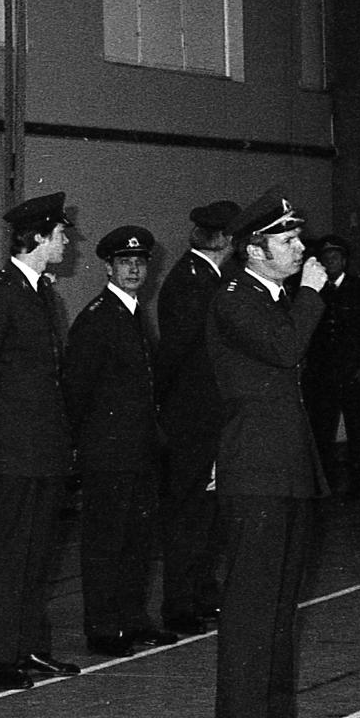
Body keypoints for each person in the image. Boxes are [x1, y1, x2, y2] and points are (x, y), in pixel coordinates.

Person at [207, 188, 331, 718]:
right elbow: (285, 349)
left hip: (285, 466)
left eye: (298, 237)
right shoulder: (235, 298)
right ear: (254, 250)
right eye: (288, 240)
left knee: (282, 600)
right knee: (252, 599)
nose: (301, 248)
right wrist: (310, 294)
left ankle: (274, 713)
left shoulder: (273, 297)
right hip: (255, 468)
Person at [0, 193, 81, 691]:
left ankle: (29, 646)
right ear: (39, 238)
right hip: (14, 446)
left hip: (45, 446)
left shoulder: (41, 293)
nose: (67, 241)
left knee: (38, 550)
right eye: (61, 234)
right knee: (8, 552)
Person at [63, 225, 179, 656]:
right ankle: (103, 627)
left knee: (136, 541)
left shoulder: (133, 314)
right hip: (107, 454)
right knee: (106, 543)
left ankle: (133, 619)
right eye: (125, 262)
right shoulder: (97, 319)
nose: (133, 269)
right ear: (107, 268)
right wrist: (80, 451)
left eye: (140, 262)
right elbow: (77, 390)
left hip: (139, 450)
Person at [154, 200, 237, 634]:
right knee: (188, 511)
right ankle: (180, 602)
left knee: (208, 510)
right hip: (192, 417)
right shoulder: (191, 281)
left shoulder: (211, 277)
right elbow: (175, 353)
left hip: (210, 414)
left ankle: (202, 592)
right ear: (224, 238)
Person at [302, 234, 360, 495]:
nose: (330, 263)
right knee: (323, 426)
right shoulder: (314, 289)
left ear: (344, 261)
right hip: (323, 371)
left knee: (358, 426)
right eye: (326, 259)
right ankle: (325, 480)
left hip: (353, 370)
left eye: (335, 258)